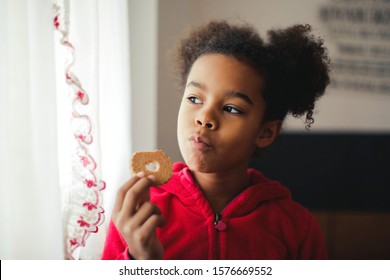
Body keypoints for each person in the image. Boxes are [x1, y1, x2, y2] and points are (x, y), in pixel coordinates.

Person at [102, 20, 331, 260]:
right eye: (194, 99)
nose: (204, 118)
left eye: (232, 108)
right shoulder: (139, 213)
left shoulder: (296, 227)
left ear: (265, 133)